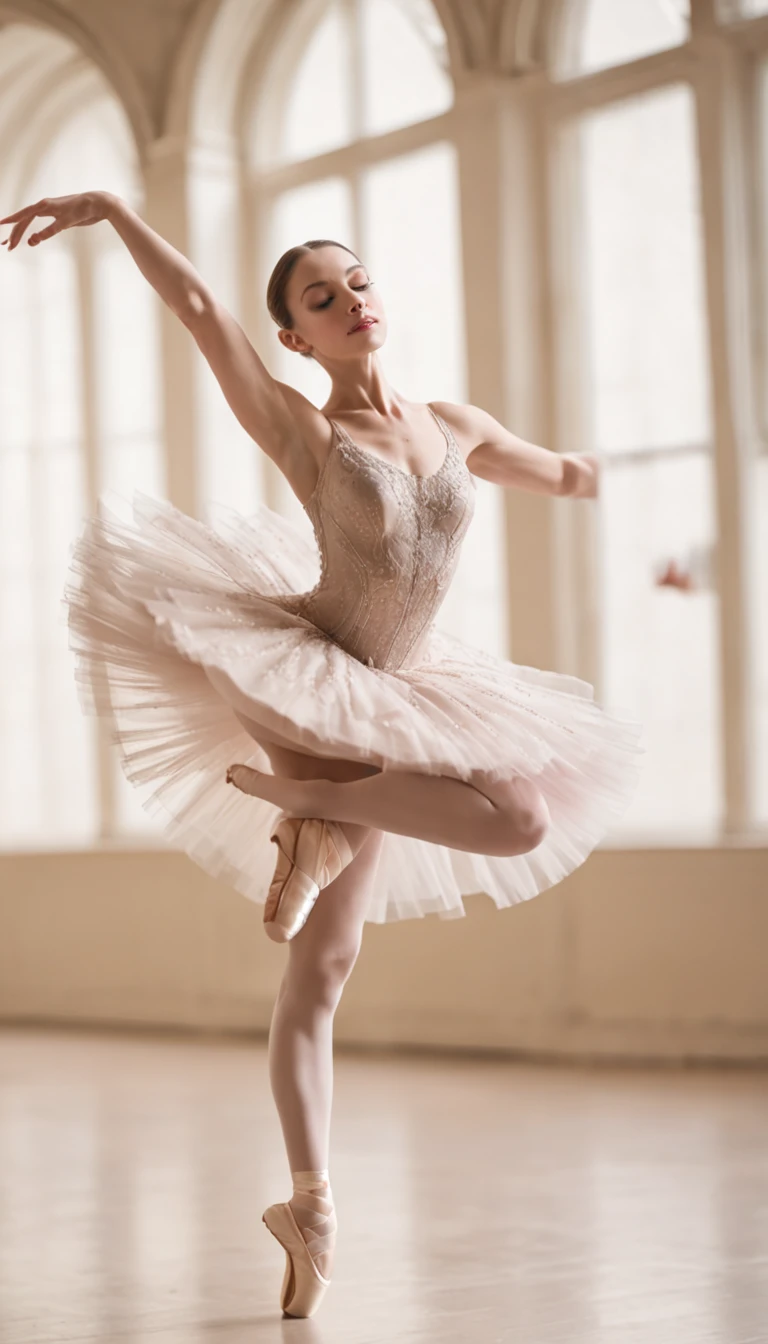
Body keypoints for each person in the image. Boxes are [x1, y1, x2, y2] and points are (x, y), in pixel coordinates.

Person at [1, 190, 645, 1318]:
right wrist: (108, 208)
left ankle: (309, 1182)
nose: (351, 299)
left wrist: (616, 476)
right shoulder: (309, 431)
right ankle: (302, 812)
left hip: (409, 699)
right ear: (298, 337)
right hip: (310, 680)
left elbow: (567, 473)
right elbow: (202, 308)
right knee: (436, 886)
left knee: (376, 929)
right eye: (320, 296)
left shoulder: (458, 424)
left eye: (358, 282)